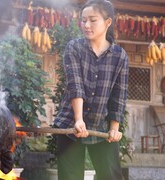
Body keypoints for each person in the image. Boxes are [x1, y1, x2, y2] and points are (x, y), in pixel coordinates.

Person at [53, 0, 128, 180]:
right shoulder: (74, 47)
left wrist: (114, 128)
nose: (86, 25)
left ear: (107, 22)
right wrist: (78, 119)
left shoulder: (120, 56)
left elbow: (119, 95)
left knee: (111, 176)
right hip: (70, 125)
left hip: (101, 128)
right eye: (83, 20)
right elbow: (75, 85)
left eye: (92, 20)